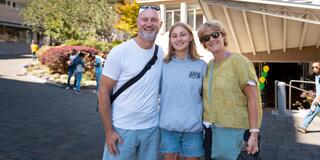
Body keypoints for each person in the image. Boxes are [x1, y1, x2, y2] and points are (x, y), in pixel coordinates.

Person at [98, 5, 163, 160]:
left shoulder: (160, 53)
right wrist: (109, 131)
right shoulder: (120, 52)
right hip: (122, 130)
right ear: (137, 22)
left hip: (152, 130)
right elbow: (103, 92)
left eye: (154, 20)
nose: (149, 23)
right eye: (144, 19)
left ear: (160, 25)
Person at [197, 20, 263, 160]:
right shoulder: (210, 66)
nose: (211, 39)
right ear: (203, 43)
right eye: (206, 38)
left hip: (236, 133)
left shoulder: (239, 61)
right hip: (212, 133)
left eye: (215, 34)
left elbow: (253, 99)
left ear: (223, 36)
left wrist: (254, 135)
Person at [159, 22, 207, 160]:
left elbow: (207, 97)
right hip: (168, 129)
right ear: (170, 40)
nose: (178, 39)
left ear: (191, 37)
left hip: (193, 130)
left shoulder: (201, 66)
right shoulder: (163, 65)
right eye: (174, 36)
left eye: (182, 34)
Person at [297, 62, 320, 133]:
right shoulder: (317, 76)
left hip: (319, 100)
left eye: (316, 67)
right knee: (312, 112)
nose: (314, 69)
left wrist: (318, 99)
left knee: (311, 112)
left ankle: (303, 127)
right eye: (313, 67)